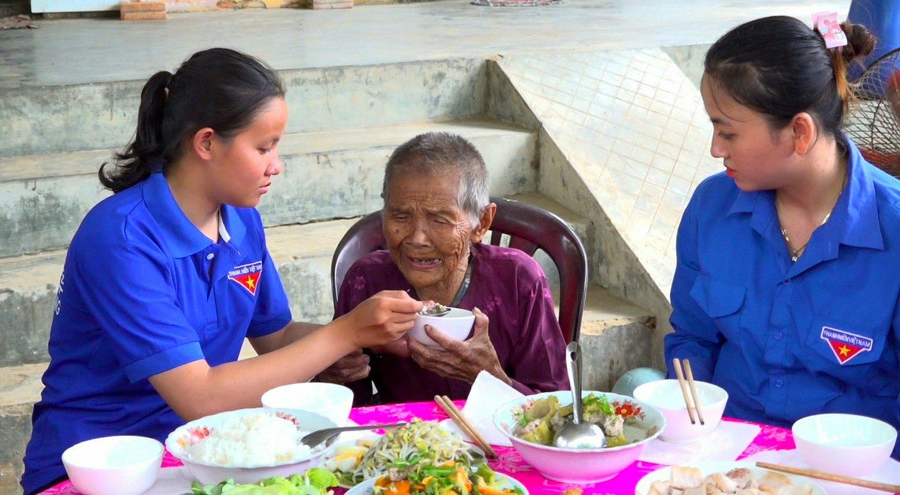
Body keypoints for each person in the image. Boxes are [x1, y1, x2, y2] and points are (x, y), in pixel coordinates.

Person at [21, 48, 422, 494]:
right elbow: (201, 395)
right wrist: (343, 333)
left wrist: (383, 333)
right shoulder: (121, 238)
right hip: (104, 466)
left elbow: (277, 336)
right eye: (263, 147)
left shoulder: (240, 218)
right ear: (206, 143)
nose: (277, 164)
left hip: (203, 451)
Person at [665, 15, 900, 457]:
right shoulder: (712, 208)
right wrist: (689, 425)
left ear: (799, 132)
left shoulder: (894, 231)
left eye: (728, 131)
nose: (716, 149)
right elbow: (692, 339)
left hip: (851, 474)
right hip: (723, 462)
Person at [318, 132, 569, 405]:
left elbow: (558, 408)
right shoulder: (367, 281)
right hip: (402, 440)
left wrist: (492, 377)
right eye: (400, 216)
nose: (416, 239)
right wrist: (333, 374)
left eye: (439, 220)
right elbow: (347, 410)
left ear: (482, 223)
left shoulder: (519, 280)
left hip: (497, 441)